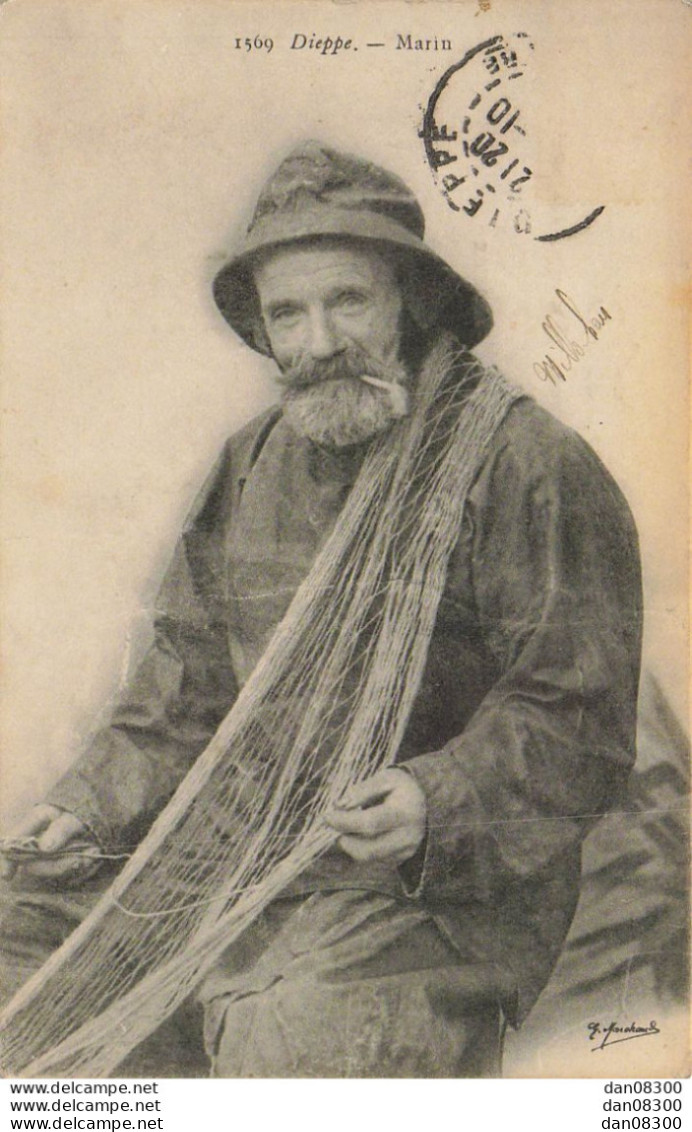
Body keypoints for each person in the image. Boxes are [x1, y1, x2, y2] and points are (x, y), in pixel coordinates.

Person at [0, 143, 643, 1078]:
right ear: (263, 332)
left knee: (289, 1033)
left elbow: (578, 717)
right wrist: (84, 808)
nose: (318, 341)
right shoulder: (252, 463)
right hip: (238, 858)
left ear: (410, 304)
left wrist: (435, 796)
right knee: (20, 944)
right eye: (287, 314)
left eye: (348, 300)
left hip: (430, 888)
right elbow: (183, 692)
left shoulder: (526, 464)